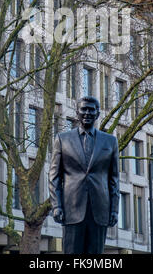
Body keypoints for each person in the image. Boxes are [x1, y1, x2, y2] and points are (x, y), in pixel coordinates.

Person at [49, 96, 119, 254]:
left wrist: (114, 210)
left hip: (100, 209)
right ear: (77, 113)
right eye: (84, 109)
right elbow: (54, 176)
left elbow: (114, 179)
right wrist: (56, 205)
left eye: (91, 110)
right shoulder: (62, 139)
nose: (87, 113)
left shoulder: (110, 142)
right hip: (71, 208)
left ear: (97, 114)